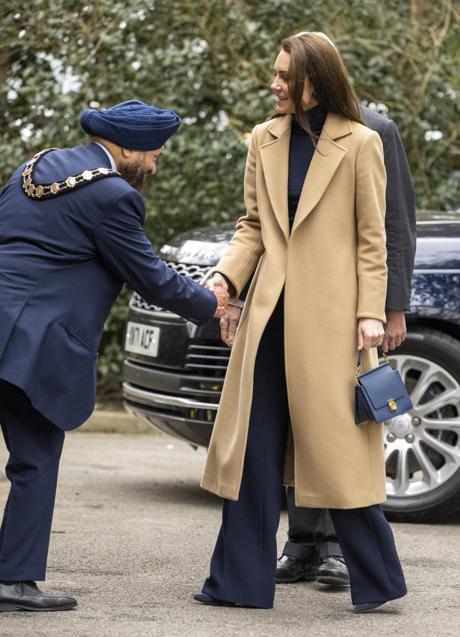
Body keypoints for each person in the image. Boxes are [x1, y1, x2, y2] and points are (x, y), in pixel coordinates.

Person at [194, 32, 407, 613]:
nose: (275, 84)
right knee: (252, 452)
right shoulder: (263, 138)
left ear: (317, 81)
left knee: (340, 453)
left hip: (334, 321)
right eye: (275, 74)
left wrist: (370, 312)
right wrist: (225, 281)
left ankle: (379, 581)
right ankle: (237, 583)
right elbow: (253, 227)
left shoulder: (362, 142)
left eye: (285, 76)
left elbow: (373, 238)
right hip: (268, 318)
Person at [0, 100, 228, 613]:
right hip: (31, 343)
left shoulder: (35, 167)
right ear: (126, 149)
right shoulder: (112, 196)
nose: (155, 164)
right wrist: (217, 307)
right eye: (153, 154)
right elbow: (150, 276)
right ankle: (12, 580)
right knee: (34, 459)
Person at [274, 93, 416, 586]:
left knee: (345, 425)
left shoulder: (375, 128)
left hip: (350, 306)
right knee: (301, 424)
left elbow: (393, 224)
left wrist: (389, 306)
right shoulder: (279, 130)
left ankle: (336, 549)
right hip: (293, 307)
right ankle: (301, 545)